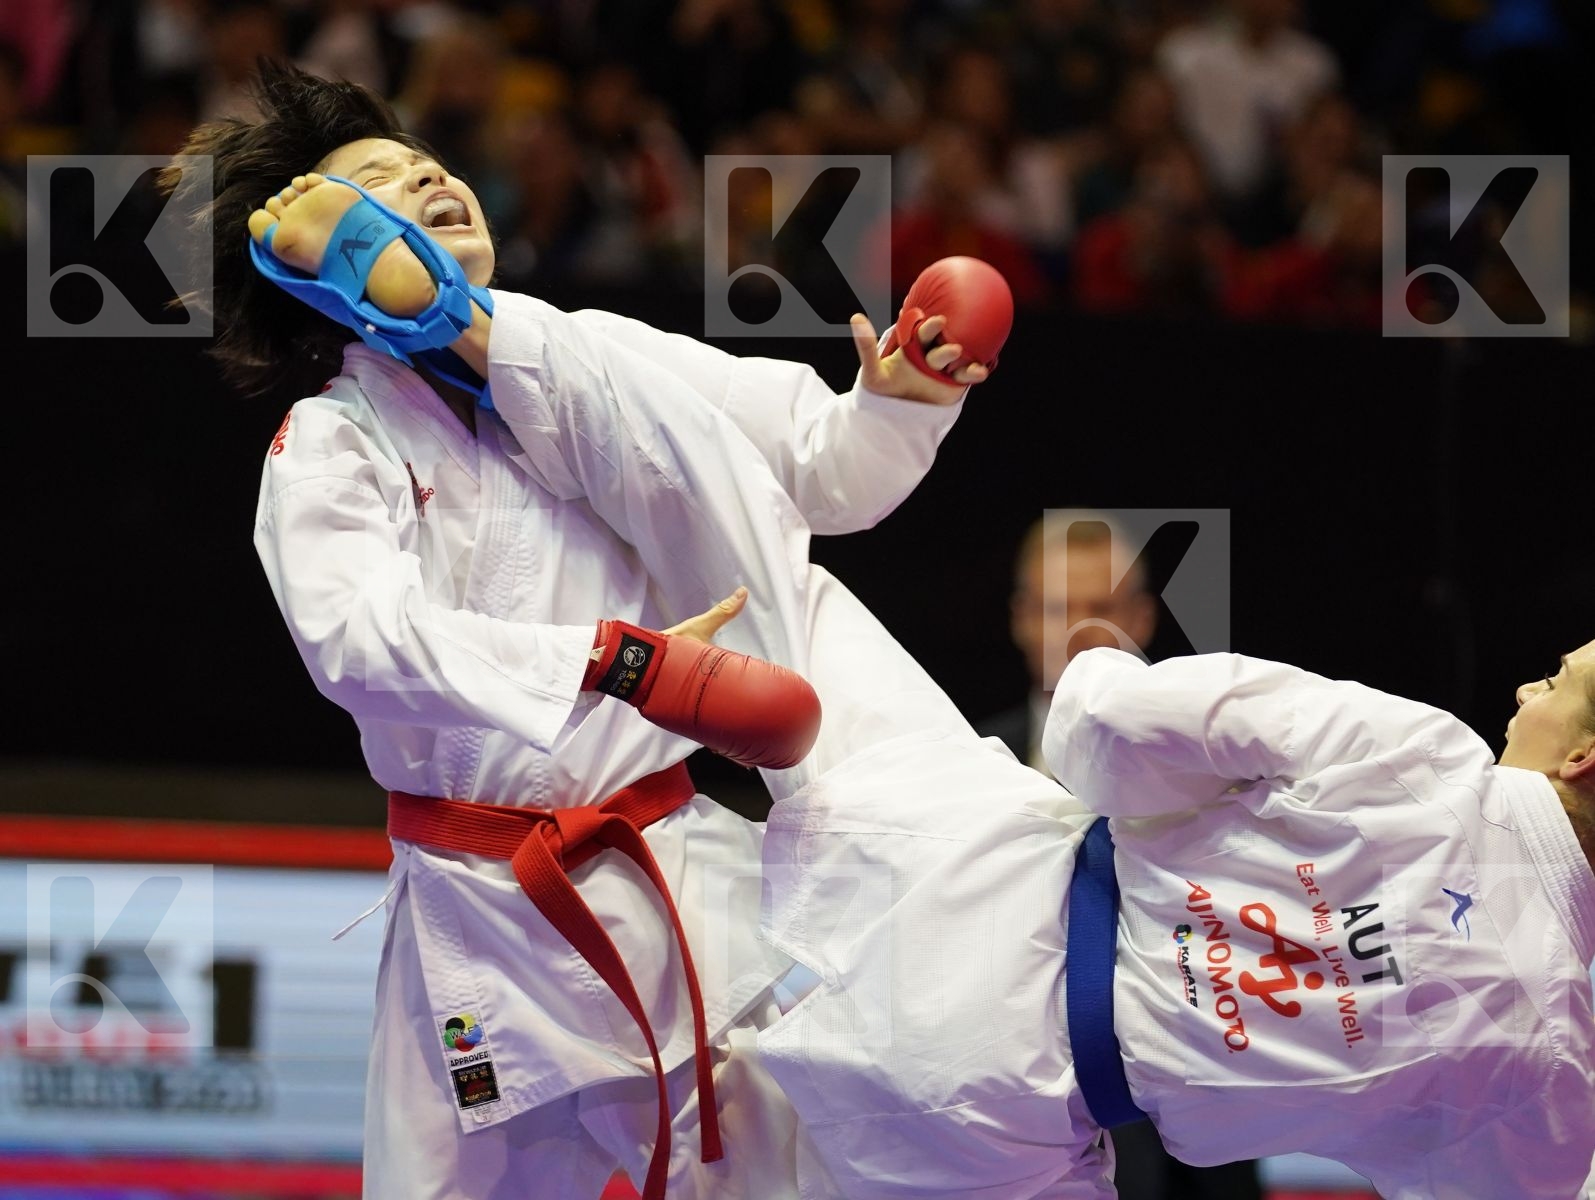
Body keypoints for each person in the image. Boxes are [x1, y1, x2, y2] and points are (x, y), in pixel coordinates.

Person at [166, 61, 1000, 1200]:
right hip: (480, 911)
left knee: (779, 1179)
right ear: (326, 264)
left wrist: (900, 400)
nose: (425, 174)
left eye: (426, 164)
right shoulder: (334, 442)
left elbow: (813, 473)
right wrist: (615, 662)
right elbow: (358, 644)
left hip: (678, 870)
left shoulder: (593, 352)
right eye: (378, 187)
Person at [756, 623, 1595, 1198]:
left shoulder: (1427, 760)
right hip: (1001, 1139)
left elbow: (1106, 728)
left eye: (1556, 683)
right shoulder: (1554, 1079)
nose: (1527, 689)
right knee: (704, 1155)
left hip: (966, 895)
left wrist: (1104, 675)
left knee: (771, 575)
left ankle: (629, 661)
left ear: (1583, 758)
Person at [981, 511, 1263, 1200]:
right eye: (1056, 609)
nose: (1078, 633)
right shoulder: (966, 767)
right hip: (1008, 1117)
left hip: (1191, 1123)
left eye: (1099, 609)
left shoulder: (1219, 768)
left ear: (1139, 619)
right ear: (1021, 618)